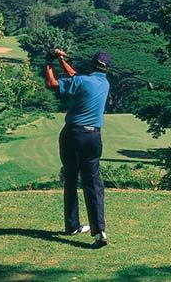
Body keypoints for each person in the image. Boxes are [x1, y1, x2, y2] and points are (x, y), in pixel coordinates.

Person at [45, 48, 112, 249]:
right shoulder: (104, 83)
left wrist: (49, 62)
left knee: (71, 178)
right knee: (93, 182)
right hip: (93, 138)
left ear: (92, 64)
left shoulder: (83, 81)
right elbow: (75, 76)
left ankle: (72, 225)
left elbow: (52, 84)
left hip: (73, 135)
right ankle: (99, 231)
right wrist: (61, 60)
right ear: (106, 69)